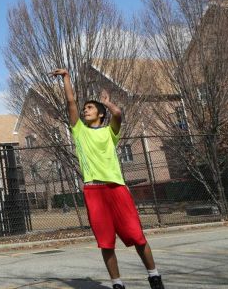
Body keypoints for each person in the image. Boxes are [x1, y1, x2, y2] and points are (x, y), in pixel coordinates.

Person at [51, 68, 164, 289]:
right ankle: (117, 283)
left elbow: (118, 115)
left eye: (90, 107)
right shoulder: (79, 132)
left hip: (117, 189)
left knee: (137, 237)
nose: (85, 111)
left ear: (101, 113)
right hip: (94, 191)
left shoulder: (110, 132)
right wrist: (66, 77)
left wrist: (108, 103)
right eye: (85, 109)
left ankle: (154, 276)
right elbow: (71, 103)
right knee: (106, 242)